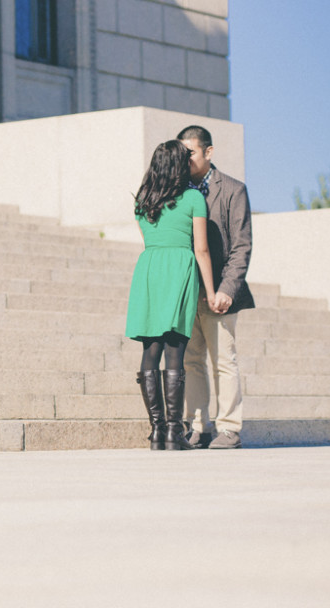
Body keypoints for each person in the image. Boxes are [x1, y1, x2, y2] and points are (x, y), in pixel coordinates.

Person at [126, 140, 218, 450]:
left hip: (150, 270)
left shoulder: (142, 200)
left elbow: (149, 240)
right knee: (175, 350)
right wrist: (211, 291)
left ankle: (156, 431)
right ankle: (174, 433)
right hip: (180, 269)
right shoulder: (194, 198)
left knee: (150, 350)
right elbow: (202, 249)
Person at [176, 126, 255, 449]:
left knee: (224, 360)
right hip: (186, 293)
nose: (185, 160)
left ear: (208, 152)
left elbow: (242, 246)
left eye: (190, 153)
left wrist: (226, 289)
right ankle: (200, 426)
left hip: (221, 294)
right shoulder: (177, 190)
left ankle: (229, 428)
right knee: (190, 361)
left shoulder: (234, 190)